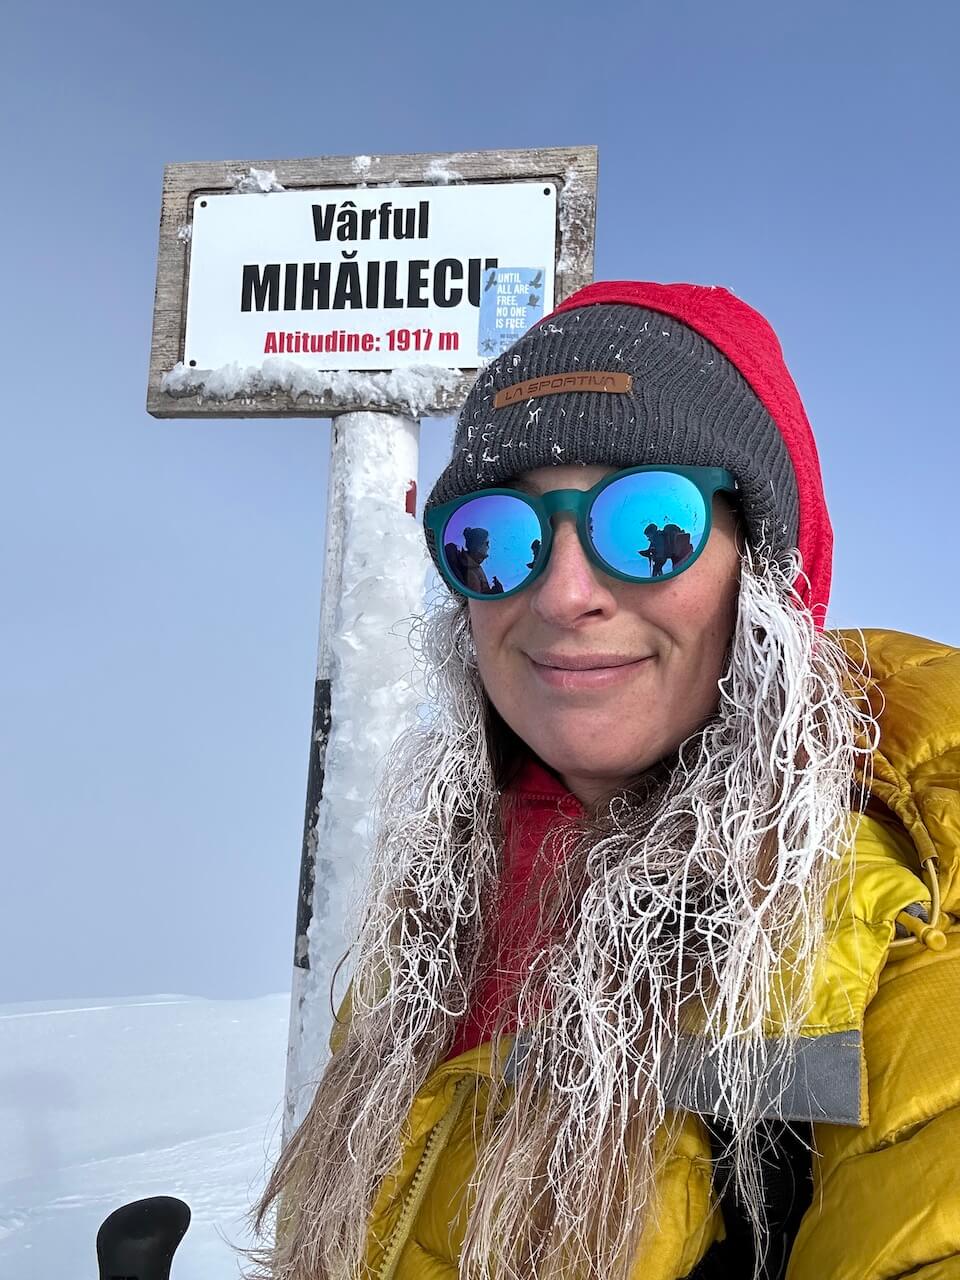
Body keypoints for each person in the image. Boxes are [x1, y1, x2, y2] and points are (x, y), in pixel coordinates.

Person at [250, 282, 960, 1280]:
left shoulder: (903, 948)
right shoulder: (429, 940)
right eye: (496, 538)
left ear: (764, 571)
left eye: (648, 522)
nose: (564, 591)